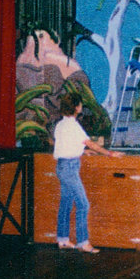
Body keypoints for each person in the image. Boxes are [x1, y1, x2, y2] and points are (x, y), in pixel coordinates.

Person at [53, 91, 123, 253]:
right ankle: (83, 242)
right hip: (70, 168)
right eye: (80, 105)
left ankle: (62, 239)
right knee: (83, 204)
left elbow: (65, 145)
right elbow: (91, 144)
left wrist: (81, 152)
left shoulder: (60, 125)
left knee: (66, 203)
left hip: (63, 166)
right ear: (77, 108)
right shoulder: (74, 126)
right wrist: (110, 154)